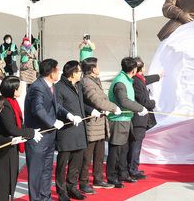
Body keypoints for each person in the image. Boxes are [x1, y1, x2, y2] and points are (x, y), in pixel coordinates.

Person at [24, 58, 83, 201]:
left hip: (49, 136)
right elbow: (37, 109)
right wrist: (53, 122)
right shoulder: (37, 87)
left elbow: (57, 106)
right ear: (51, 72)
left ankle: (46, 197)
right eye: (57, 70)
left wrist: (69, 115)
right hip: (39, 136)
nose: (60, 72)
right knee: (36, 173)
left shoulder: (51, 85)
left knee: (46, 171)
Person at [0, 76, 42, 201]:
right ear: (13, 90)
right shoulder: (5, 104)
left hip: (13, 145)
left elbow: (18, 124)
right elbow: (11, 128)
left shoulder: (12, 102)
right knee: (2, 178)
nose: (21, 89)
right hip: (4, 147)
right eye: (19, 87)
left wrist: (28, 132)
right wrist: (30, 133)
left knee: (10, 177)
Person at [55, 61, 97, 201]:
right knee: (62, 165)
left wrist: (92, 110)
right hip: (66, 133)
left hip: (79, 131)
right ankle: (62, 192)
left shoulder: (78, 85)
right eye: (79, 71)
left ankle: (72, 188)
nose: (81, 74)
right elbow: (57, 108)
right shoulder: (59, 88)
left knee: (76, 163)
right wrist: (69, 116)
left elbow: (81, 104)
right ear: (73, 73)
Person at [78, 57, 121, 194]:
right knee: (87, 156)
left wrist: (107, 108)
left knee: (99, 154)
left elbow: (102, 99)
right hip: (92, 124)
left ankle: (98, 179)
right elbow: (96, 100)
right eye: (97, 66)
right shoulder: (86, 82)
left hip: (100, 123)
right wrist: (114, 107)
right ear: (92, 69)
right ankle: (83, 182)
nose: (99, 68)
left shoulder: (94, 80)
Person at [106, 57, 148, 188]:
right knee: (116, 150)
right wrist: (140, 108)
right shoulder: (120, 82)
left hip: (126, 119)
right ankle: (112, 176)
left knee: (124, 149)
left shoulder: (127, 79)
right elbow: (123, 101)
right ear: (134, 69)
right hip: (118, 121)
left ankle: (123, 173)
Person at [128, 57, 160, 180]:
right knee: (135, 145)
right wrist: (154, 102)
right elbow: (143, 101)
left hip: (141, 119)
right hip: (138, 119)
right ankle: (132, 169)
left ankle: (134, 167)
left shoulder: (139, 79)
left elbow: (146, 80)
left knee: (137, 144)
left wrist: (158, 76)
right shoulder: (136, 81)